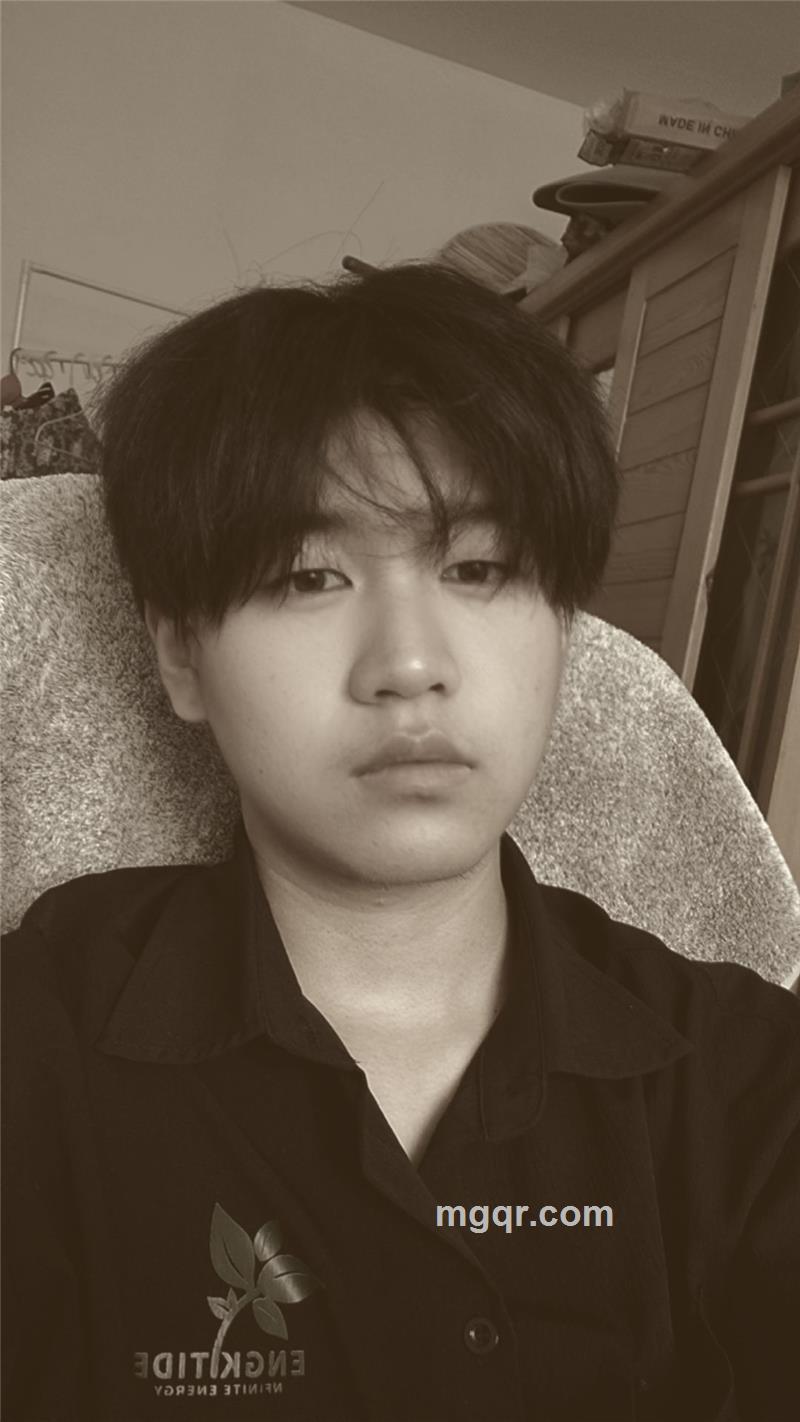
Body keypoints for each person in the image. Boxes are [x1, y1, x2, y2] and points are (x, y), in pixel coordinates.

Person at [2, 261, 798, 1422]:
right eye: (306, 575)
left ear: (562, 628)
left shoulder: (743, 1081)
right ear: (180, 655)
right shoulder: (36, 1051)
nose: (409, 664)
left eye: (477, 568)